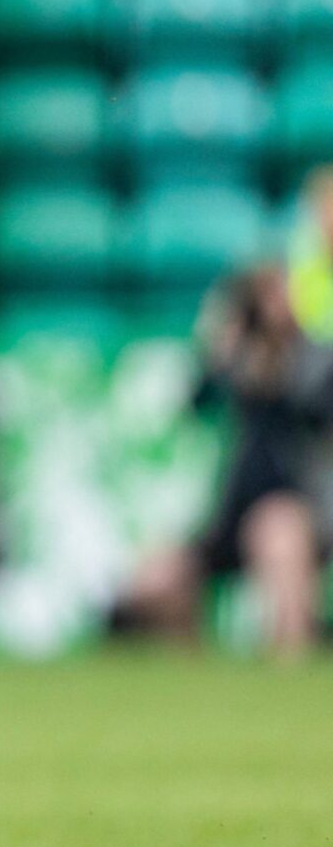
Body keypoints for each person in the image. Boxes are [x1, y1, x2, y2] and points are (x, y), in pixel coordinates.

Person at [120, 265, 327, 659]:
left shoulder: (315, 360)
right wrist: (219, 349)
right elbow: (195, 403)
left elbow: (314, 407)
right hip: (228, 521)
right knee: (156, 580)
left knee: (278, 531)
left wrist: (284, 356)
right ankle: (197, 687)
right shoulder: (234, 362)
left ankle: (290, 669)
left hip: (298, 515)